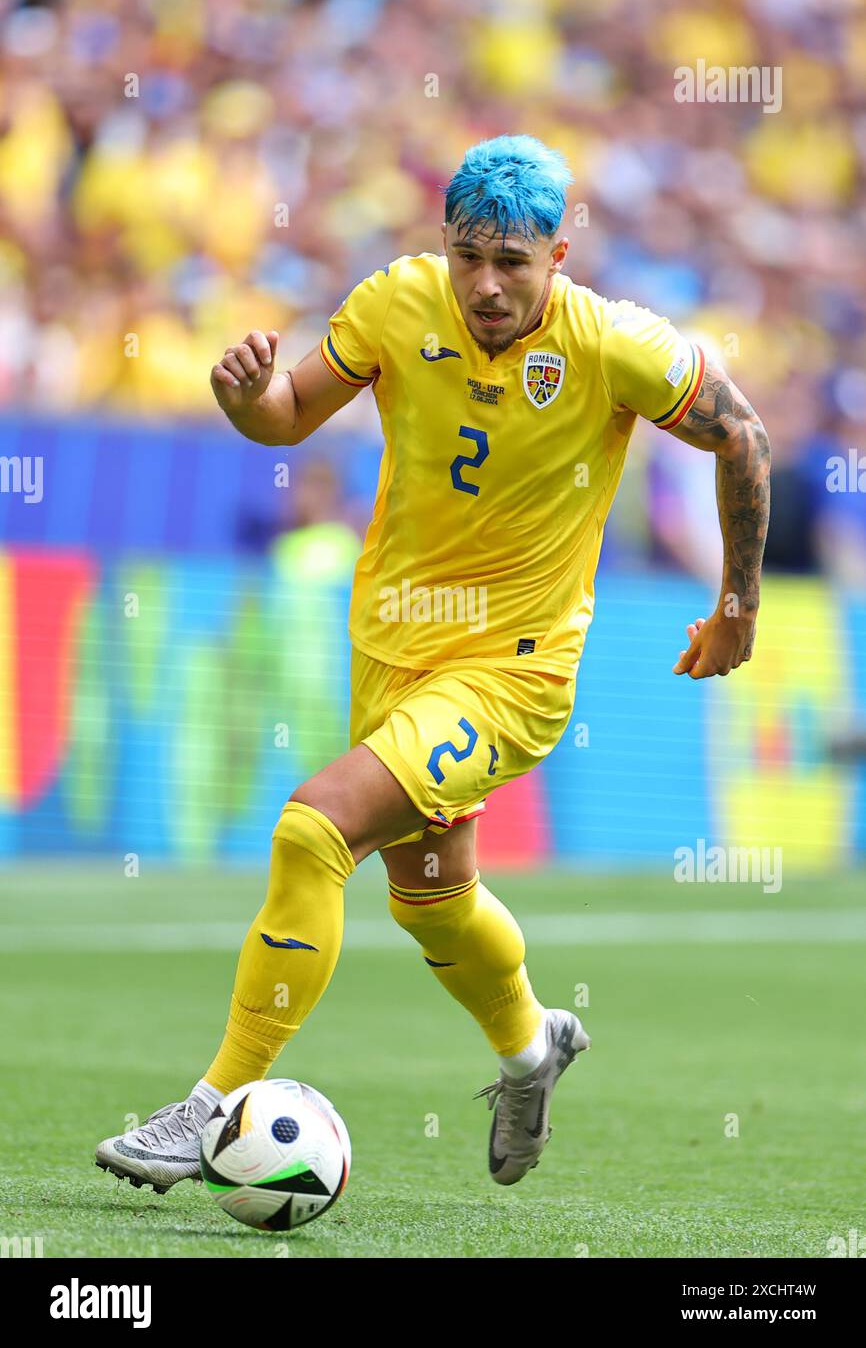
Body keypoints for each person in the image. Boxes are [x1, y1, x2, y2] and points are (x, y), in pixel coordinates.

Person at [96, 134, 770, 1191]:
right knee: (429, 900)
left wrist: (734, 604)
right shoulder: (394, 305)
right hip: (391, 651)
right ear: (442, 249)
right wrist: (246, 402)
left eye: (511, 259)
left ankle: (207, 1105)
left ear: (557, 253)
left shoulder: (613, 345)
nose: (486, 284)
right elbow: (288, 417)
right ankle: (529, 1049)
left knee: (313, 829)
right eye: (467, 257)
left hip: (510, 672)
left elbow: (742, 436)